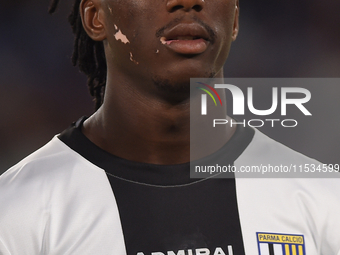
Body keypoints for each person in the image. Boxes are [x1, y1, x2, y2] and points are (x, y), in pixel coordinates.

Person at [0, 0, 339, 254]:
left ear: (234, 18)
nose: (187, 1)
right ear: (96, 16)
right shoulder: (16, 212)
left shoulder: (323, 200)